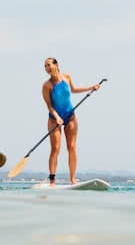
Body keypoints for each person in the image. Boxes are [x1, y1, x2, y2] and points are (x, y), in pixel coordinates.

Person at [40, 57, 99, 186]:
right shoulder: (46, 86)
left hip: (70, 116)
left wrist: (91, 88)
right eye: (45, 66)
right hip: (54, 119)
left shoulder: (66, 77)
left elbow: (74, 90)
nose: (46, 68)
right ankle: (52, 181)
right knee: (55, 149)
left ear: (56, 65)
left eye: (48, 65)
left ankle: (73, 179)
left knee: (71, 147)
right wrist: (57, 117)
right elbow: (49, 106)